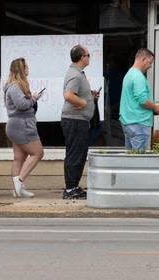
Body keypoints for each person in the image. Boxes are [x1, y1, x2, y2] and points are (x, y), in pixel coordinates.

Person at [61, 44, 98, 200]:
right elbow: (68, 95)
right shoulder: (75, 75)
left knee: (79, 153)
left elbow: (75, 93)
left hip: (79, 121)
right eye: (88, 55)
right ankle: (70, 189)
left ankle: (74, 186)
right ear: (82, 58)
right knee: (75, 154)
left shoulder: (78, 74)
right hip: (75, 121)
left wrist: (90, 96)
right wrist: (83, 103)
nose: (89, 57)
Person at [4, 57, 45, 198]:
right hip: (22, 125)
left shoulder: (14, 86)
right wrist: (33, 99)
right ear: (22, 70)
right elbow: (21, 105)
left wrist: (31, 97)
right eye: (26, 67)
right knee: (38, 153)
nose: (28, 69)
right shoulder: (15, 86)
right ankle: (19, 182)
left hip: (16, 125)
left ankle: (17, 191)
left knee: (19, 157)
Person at [119, 48, 159, 152]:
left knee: (131, 157)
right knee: (139, 160)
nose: (150, 66)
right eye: (150, 62)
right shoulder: (138, 76)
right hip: (139, 123)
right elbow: (143, 100)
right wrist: (155, 107)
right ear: (143, 59)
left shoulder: (129, 74)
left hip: (128, 121)